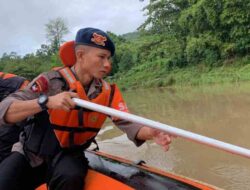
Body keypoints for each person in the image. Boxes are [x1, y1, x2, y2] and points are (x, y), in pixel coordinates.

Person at [0, 27, 173, 190]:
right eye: (102, 57)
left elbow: (129, 124)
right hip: (30, 154)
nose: (107, 64)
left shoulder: (108, 92)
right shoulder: (49, 80)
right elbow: (5, 109)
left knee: (71, 177)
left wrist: (150, 132)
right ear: (81, 55)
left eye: (109, 58)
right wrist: (46, 102)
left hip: (68, 154)